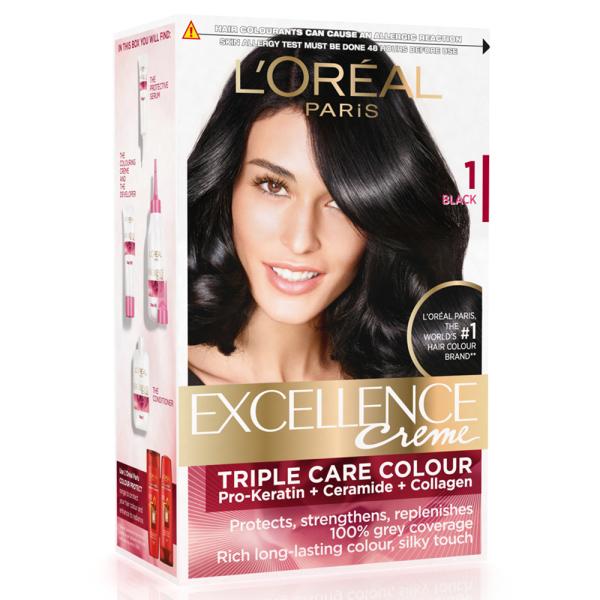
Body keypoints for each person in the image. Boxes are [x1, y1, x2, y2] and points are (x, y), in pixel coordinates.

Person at [187, 31, 469, 384]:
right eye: (273, 186)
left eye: (339, 201)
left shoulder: (421, 392)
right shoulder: (167, 383)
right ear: (226, 187)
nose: (301, 240)